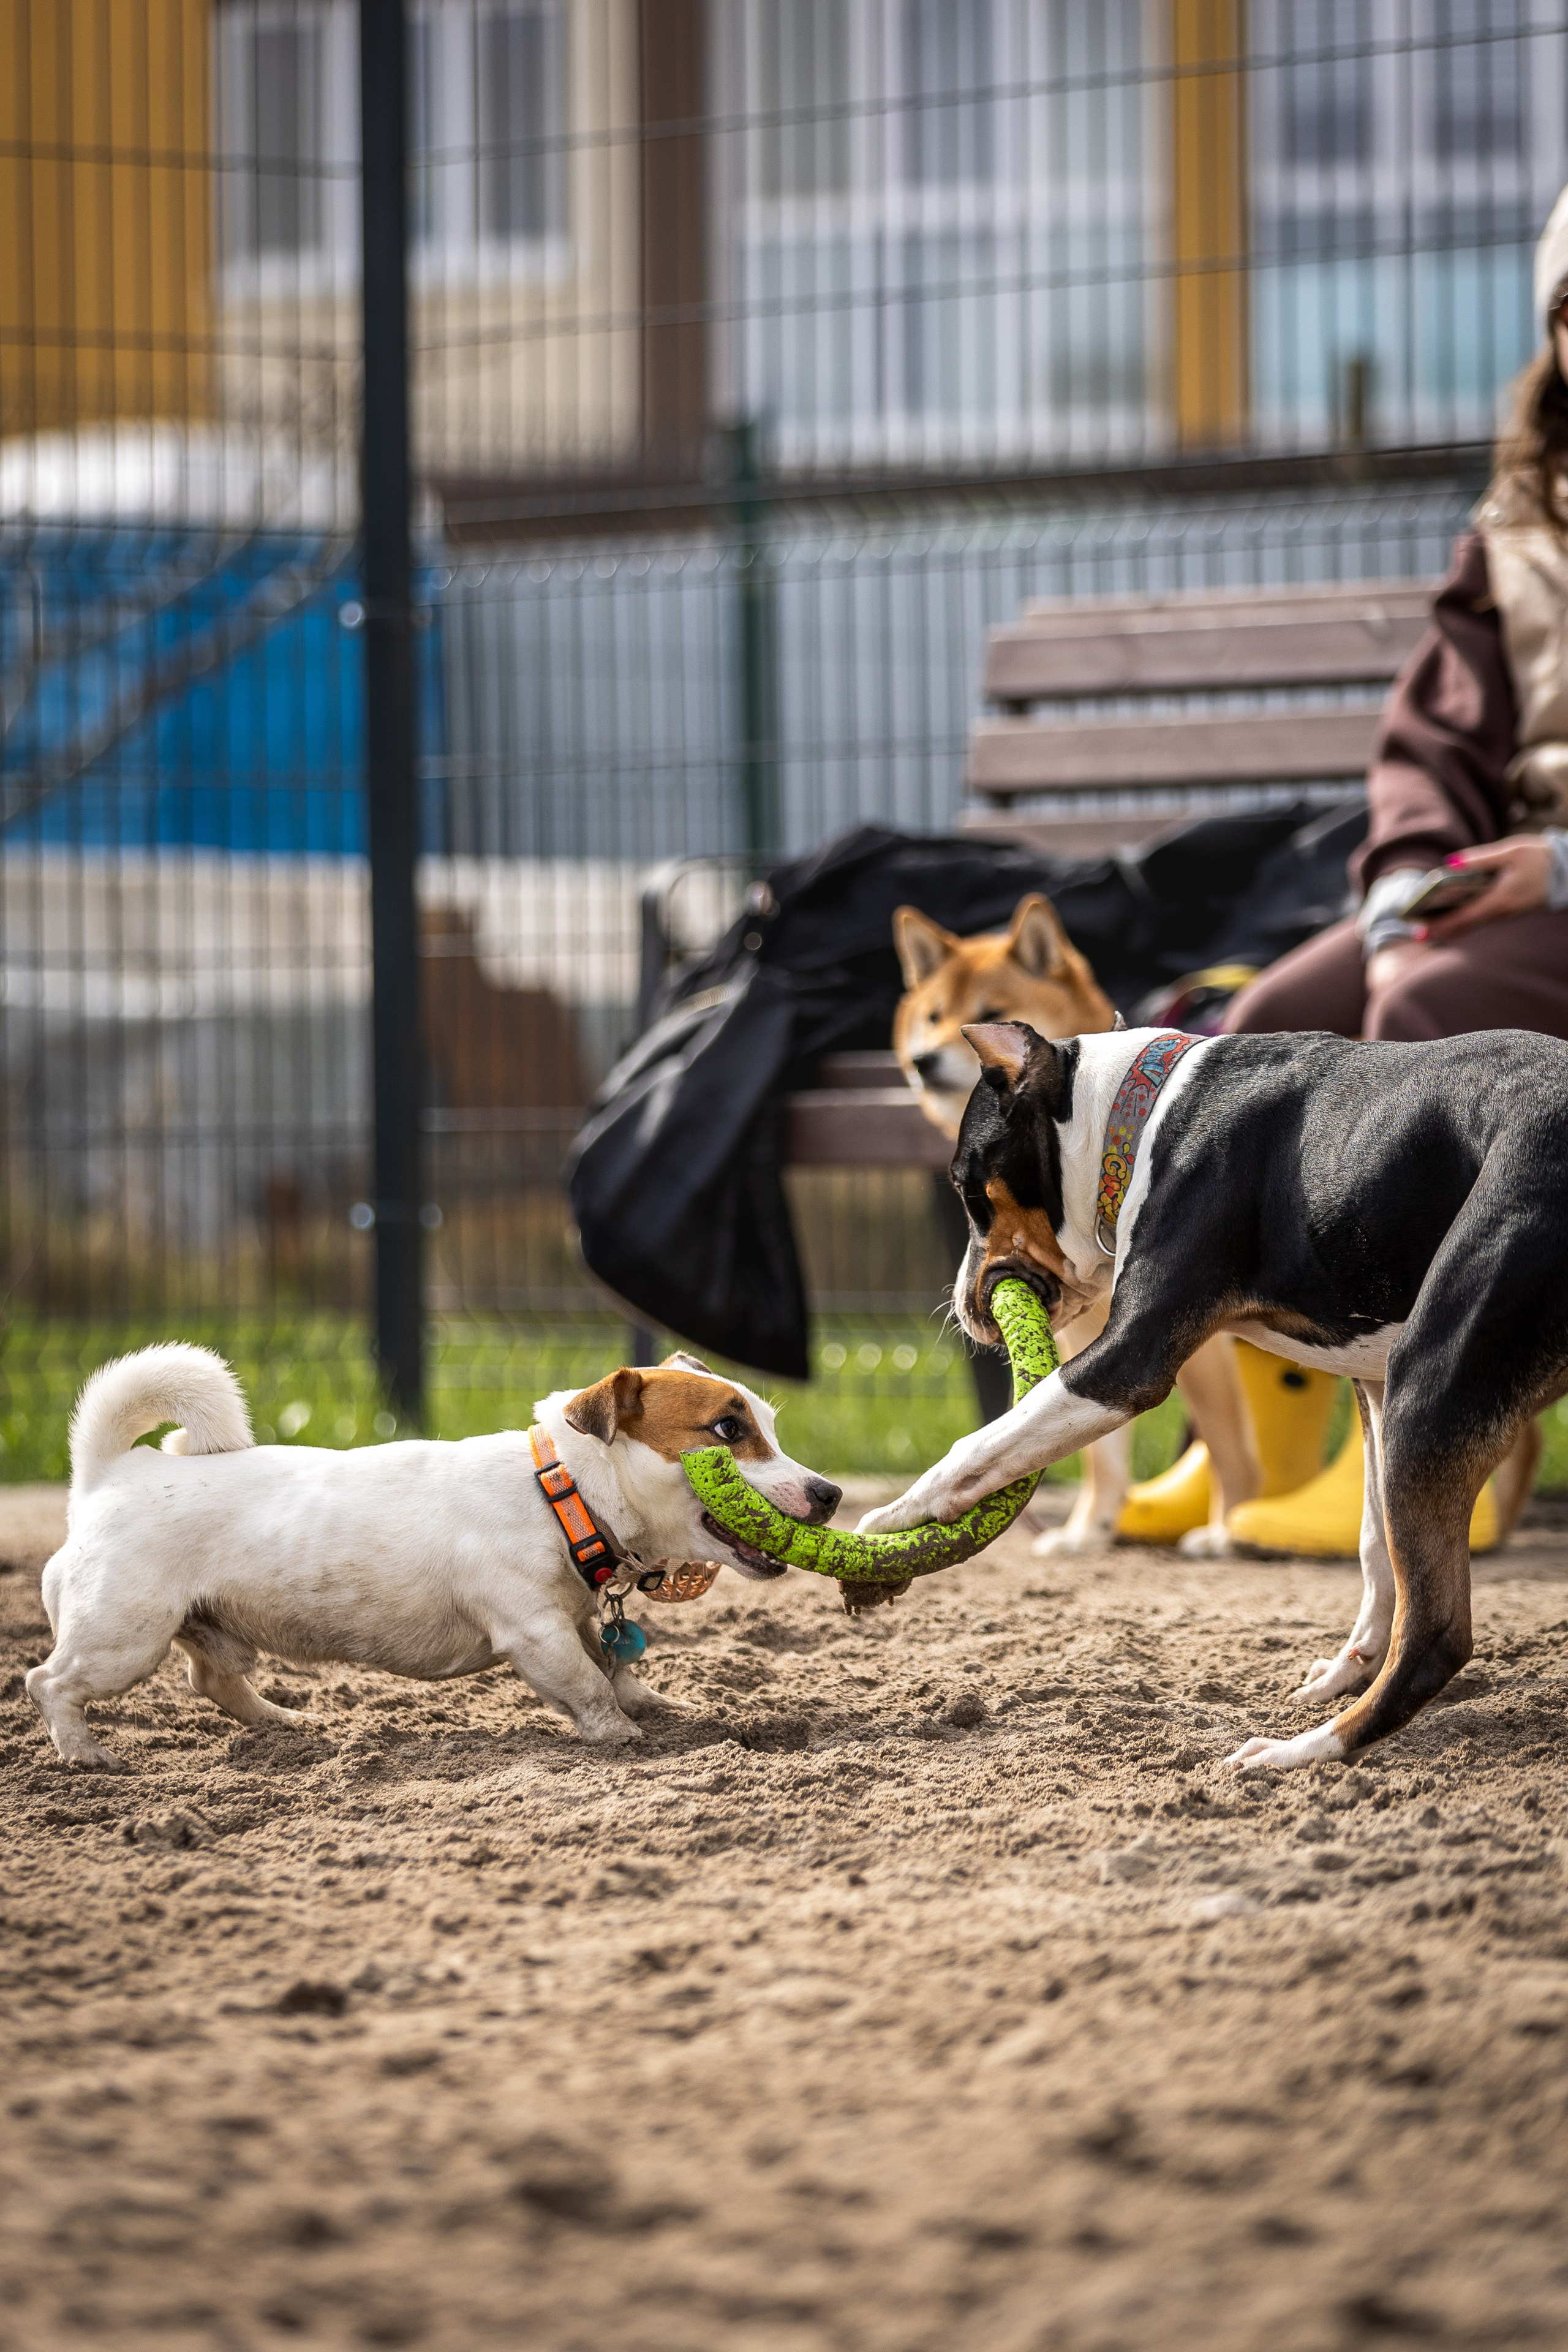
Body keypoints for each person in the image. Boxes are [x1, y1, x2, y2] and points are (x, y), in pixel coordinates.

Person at [1207, 185, 1568, 1553]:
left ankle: (1442, 1449)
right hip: (1495, 883)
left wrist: (1557, 865)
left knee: (1427, 1027)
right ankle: (1260, 1450)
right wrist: (1408, 879)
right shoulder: (1515, 521)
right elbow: (1430, 731)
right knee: (1251, 1040)